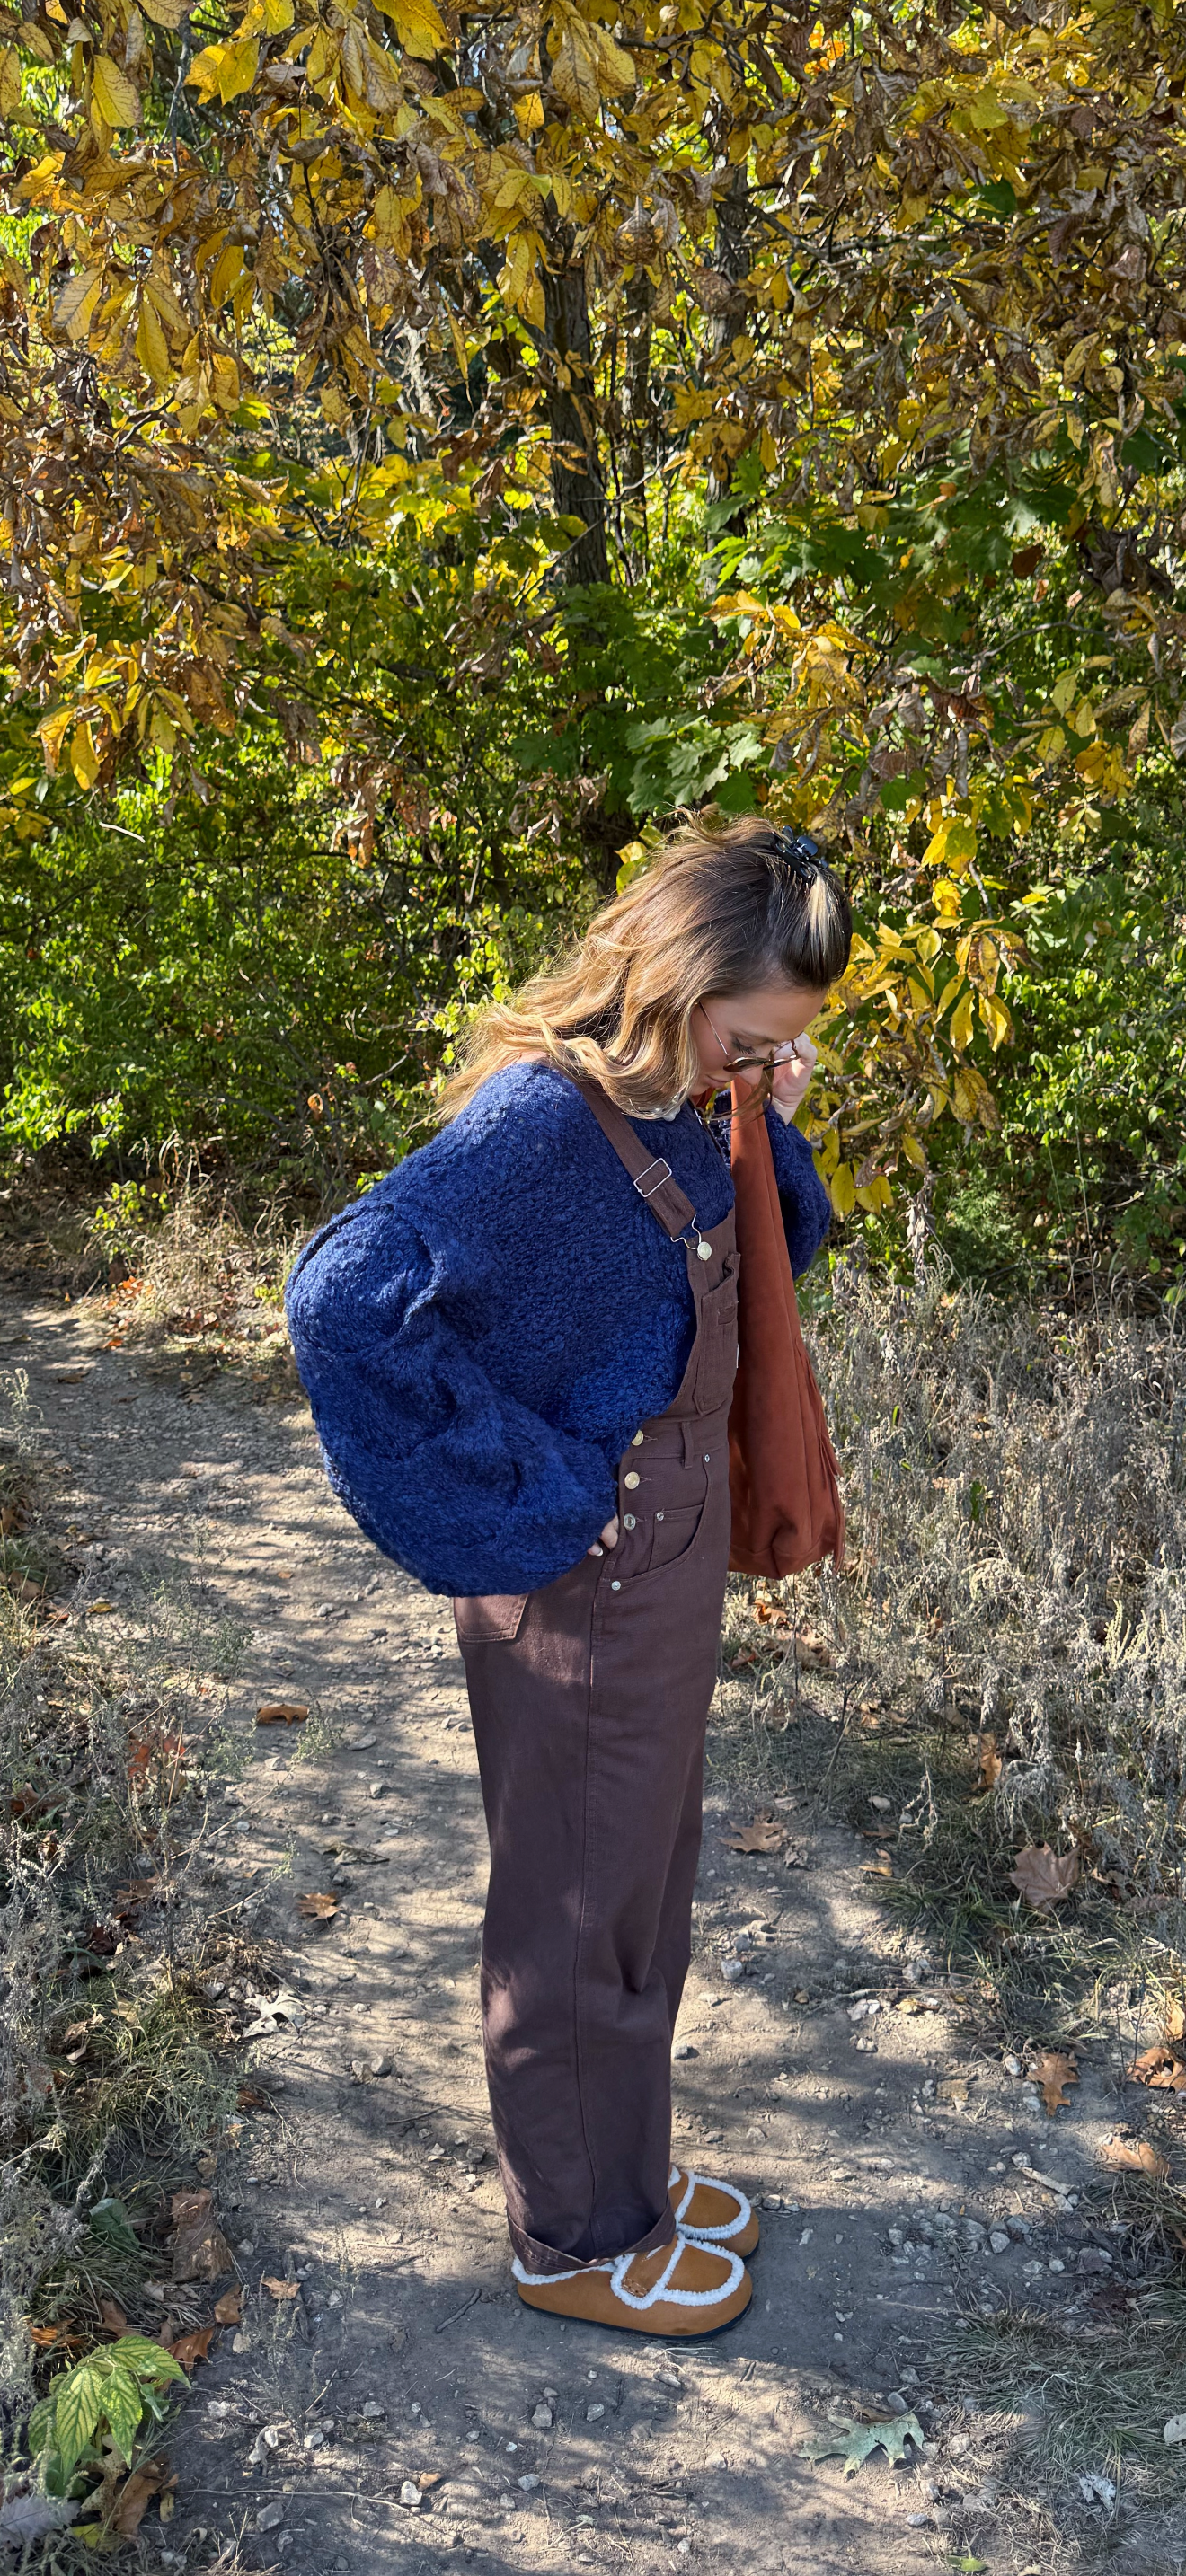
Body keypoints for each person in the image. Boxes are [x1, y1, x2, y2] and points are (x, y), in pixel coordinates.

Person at [286, 813, 852, 2339]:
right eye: (754, 1038)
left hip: (660, 1549)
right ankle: (578, 2244)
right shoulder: (541, 1129)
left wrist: (766, 1114)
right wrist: (529, 1490)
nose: (764, 1063)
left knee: (642, 1884)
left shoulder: (677, 1101)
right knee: (579, 1902)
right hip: (587, 1564)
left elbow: (787, 1240)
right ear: (677, 979)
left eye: (783, 1047)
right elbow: (344, 1295)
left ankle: (630, 2183)